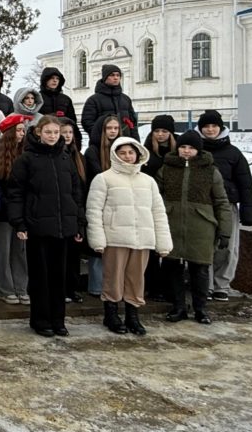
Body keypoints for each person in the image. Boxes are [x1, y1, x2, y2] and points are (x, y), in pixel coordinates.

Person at [85, 137, 172, 336]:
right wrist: (97, 239)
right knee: (113, 277)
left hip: (142, 238)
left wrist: (163, 242)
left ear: (138, 154)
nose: (127, 156)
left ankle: (133, 315)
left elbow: (158, 212)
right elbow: (94, 210)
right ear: (115, 154)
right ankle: (111, 314)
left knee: (136, 279)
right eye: (122, 153)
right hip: (116, 236)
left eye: (131, 153)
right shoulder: (104, 178)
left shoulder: (148, 181)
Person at [7, 116, 84, 338]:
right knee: (41, 277)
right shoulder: (27, 160)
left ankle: (58, 320)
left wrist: (78, 222)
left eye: (56, 133)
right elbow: (15, 192)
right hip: (38, 226)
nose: (52, 136)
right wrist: (19, 222)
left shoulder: (65, 158)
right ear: (39, 132)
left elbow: (75, 192)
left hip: (63, 227)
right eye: (48, 132)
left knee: (59, 277)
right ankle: (40, 320)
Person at [157, 131, 232, 325]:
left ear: (198, 150)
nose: (186, 151)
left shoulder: (210, 170)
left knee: (200, 269)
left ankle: (200, 308)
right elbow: (155, 196)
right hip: (172, 223)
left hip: (201, 227)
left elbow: (221, 201)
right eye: (183, 147)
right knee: (172, 267)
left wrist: (225, 230)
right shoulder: (167, 168)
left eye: (191, 148)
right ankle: (179, 306)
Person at [197, 110, 252, 300]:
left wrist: (249, 210)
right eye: (206, 126)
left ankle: (221, 284)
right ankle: (205, 283)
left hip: (227, 205)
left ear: (220, 128)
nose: (210, 129)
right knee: (204, 245)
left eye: (214, 126)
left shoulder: (233, 153)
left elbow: (245, 183)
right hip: (202, 204)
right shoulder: (195, 151)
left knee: (228, 246)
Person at [0, 113, 31, 305]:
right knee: (3, 252)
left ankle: (21, 287)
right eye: (20, 130)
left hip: (22, 212)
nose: (23, 134)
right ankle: (5, 289)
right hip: (3, 213)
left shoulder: (26, 154)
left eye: (24, 130)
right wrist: (4, 204)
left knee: (20, 252)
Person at [83, 114, 122, 298]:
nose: (113, 132)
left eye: (115, 128)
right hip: (100, 200)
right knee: (98, 246)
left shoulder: (123, 149)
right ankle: (96, 286)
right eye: (109, 128)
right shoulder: (92, 151)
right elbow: (99, 175)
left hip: (119, 203)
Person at [141, 114, 176, 301]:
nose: (161, 135)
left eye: (164, 131)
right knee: (152, 249)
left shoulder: (179, 150)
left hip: (173, 205)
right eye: (157, 131)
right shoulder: (146, 152)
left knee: (170, 248)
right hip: (151, 203)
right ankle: (152, 285)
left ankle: (168, 287)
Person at [59, 118, 86, 303]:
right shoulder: (57, 156)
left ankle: (73, 287)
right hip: (60, 210)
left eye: (70, 132)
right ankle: (62, 288)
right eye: (64, 132)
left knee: (74, 253)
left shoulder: (79, 158)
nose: (67, 136)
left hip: (76, 209)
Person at [80, 64, 138, 138]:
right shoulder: (94, 100)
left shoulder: (125, 99)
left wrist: (135, 140)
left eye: (118, 75)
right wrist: (101, 137)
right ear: (105, 78)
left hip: (124, 142)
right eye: (112, 75)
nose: (115, 78)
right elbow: (87, 122)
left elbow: (133, 123)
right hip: (103, 144)